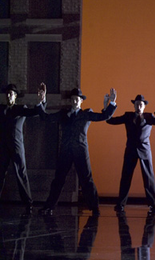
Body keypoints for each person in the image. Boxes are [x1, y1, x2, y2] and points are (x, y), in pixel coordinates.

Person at [38, 87, 117, 216]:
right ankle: (49, 206)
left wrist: (112, 103)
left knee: (86, 179)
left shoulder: (86, 114)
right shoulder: (64, 114)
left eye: (77, 99)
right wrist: (42, 101)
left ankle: (95, 207)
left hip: (81, 151)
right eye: (73, 99)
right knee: (58, 179)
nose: (75, 101)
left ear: (81, 101)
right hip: (66, 151)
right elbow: (45, 118)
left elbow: (104, 116)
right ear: (70, 101)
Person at [107, 94, 155, 215]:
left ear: (144, 106)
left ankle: (153, 205)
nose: (139, 106)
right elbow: (110, 120)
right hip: (131, 150)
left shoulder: (149, 116)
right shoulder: (128, 116)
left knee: (149, 179)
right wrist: (109, 104)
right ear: (134, 105)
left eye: (141, 104)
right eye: (137, 104)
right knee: (126, 178)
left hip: (144, 150)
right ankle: (120, 204)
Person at [0, 83, 45, 214]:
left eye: (11, 94)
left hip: (16, 147)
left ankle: (28, 203)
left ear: (15, 97)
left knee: (21, 173)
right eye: (7, 94)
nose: (9, 96)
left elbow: (35, 112)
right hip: (3, 147)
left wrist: (41, 100)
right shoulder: (1, 109)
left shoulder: (20, 109)